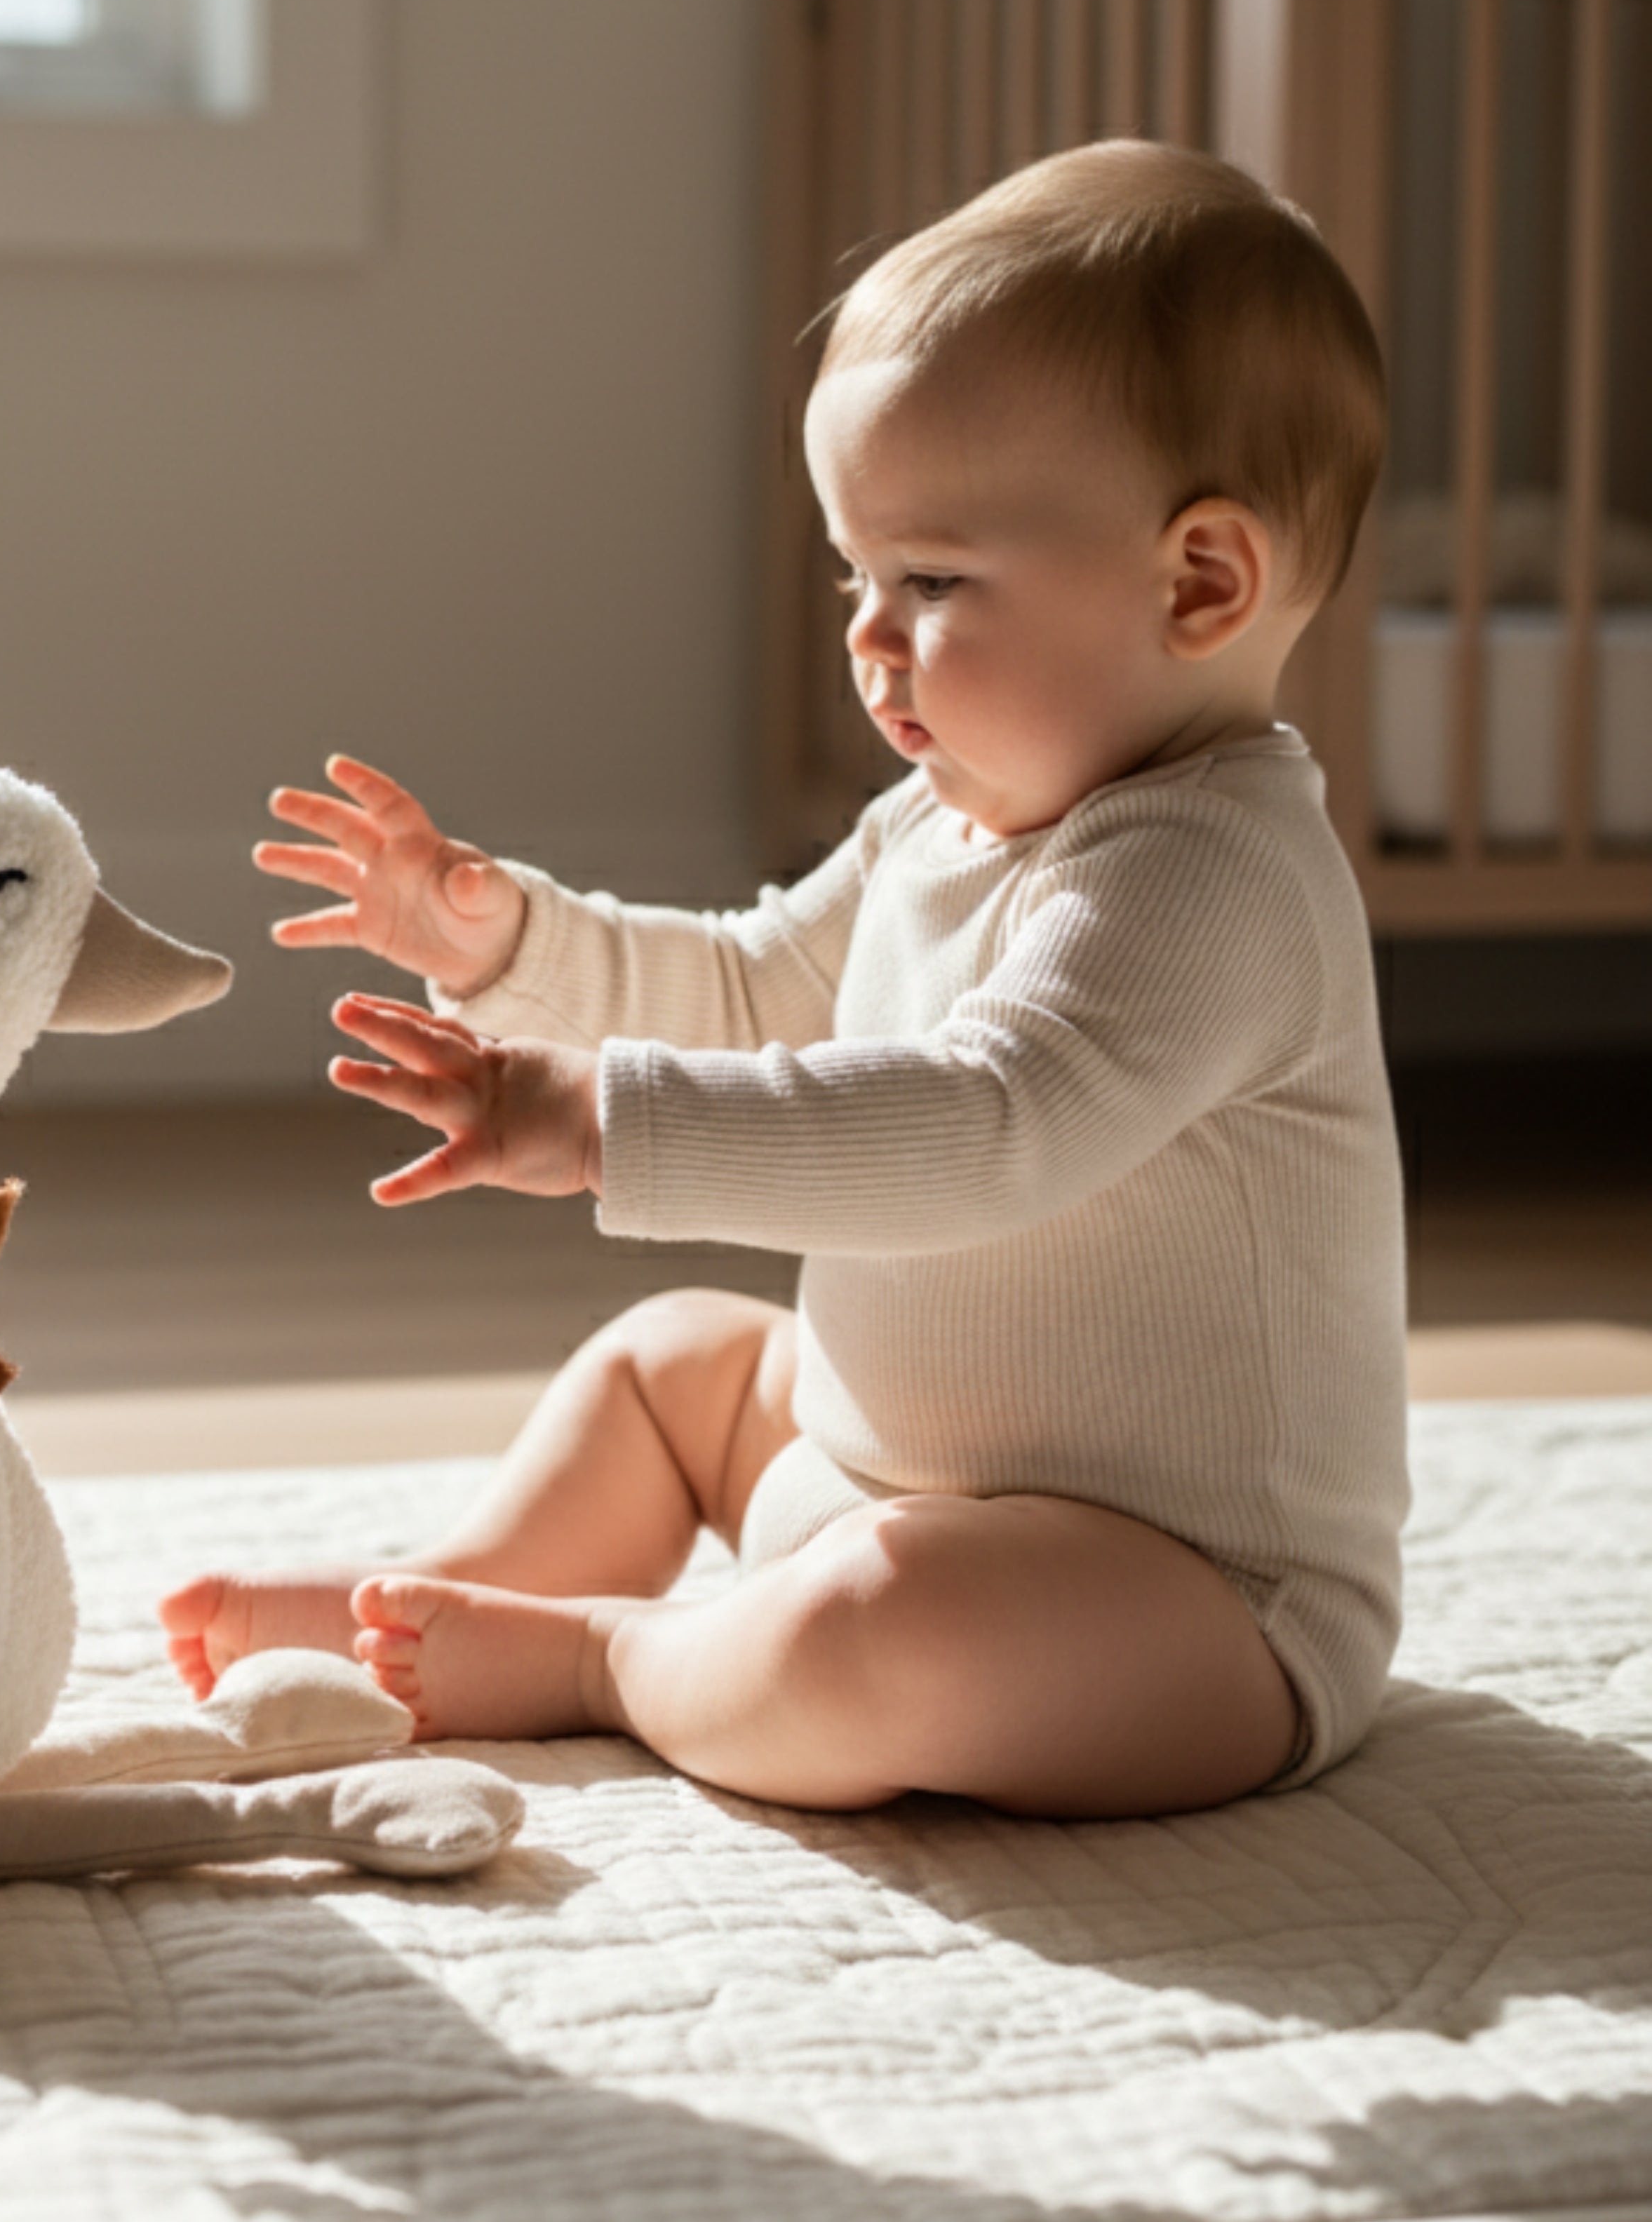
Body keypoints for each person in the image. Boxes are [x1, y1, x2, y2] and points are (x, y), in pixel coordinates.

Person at [159, 139, 1409, 1819]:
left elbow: (985, 1126)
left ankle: (600, 1657)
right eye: (855, 576)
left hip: (1174, 1602)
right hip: (874, 1469)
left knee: (867, 1635)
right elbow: (755, 984)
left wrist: (595, 1121)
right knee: (667, 1361)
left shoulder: (1211, 874)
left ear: (1197, 581)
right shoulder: (938, 823)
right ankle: (435, 1596)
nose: (864, 637)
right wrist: (507, 947)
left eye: (932, 581)